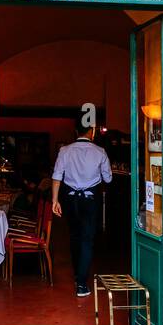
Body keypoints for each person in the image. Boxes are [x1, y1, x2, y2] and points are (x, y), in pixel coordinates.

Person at [50, 116, 112, 298]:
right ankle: (81, 284)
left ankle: (78, 274)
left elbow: (56, 176)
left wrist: (55, 200)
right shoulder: (100, 151)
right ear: (91, 132)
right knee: (87, 239)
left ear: (76, 131)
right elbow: (108, 179)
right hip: (90, 200)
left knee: (74, 237)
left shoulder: (64, 151)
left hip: (70, 199)